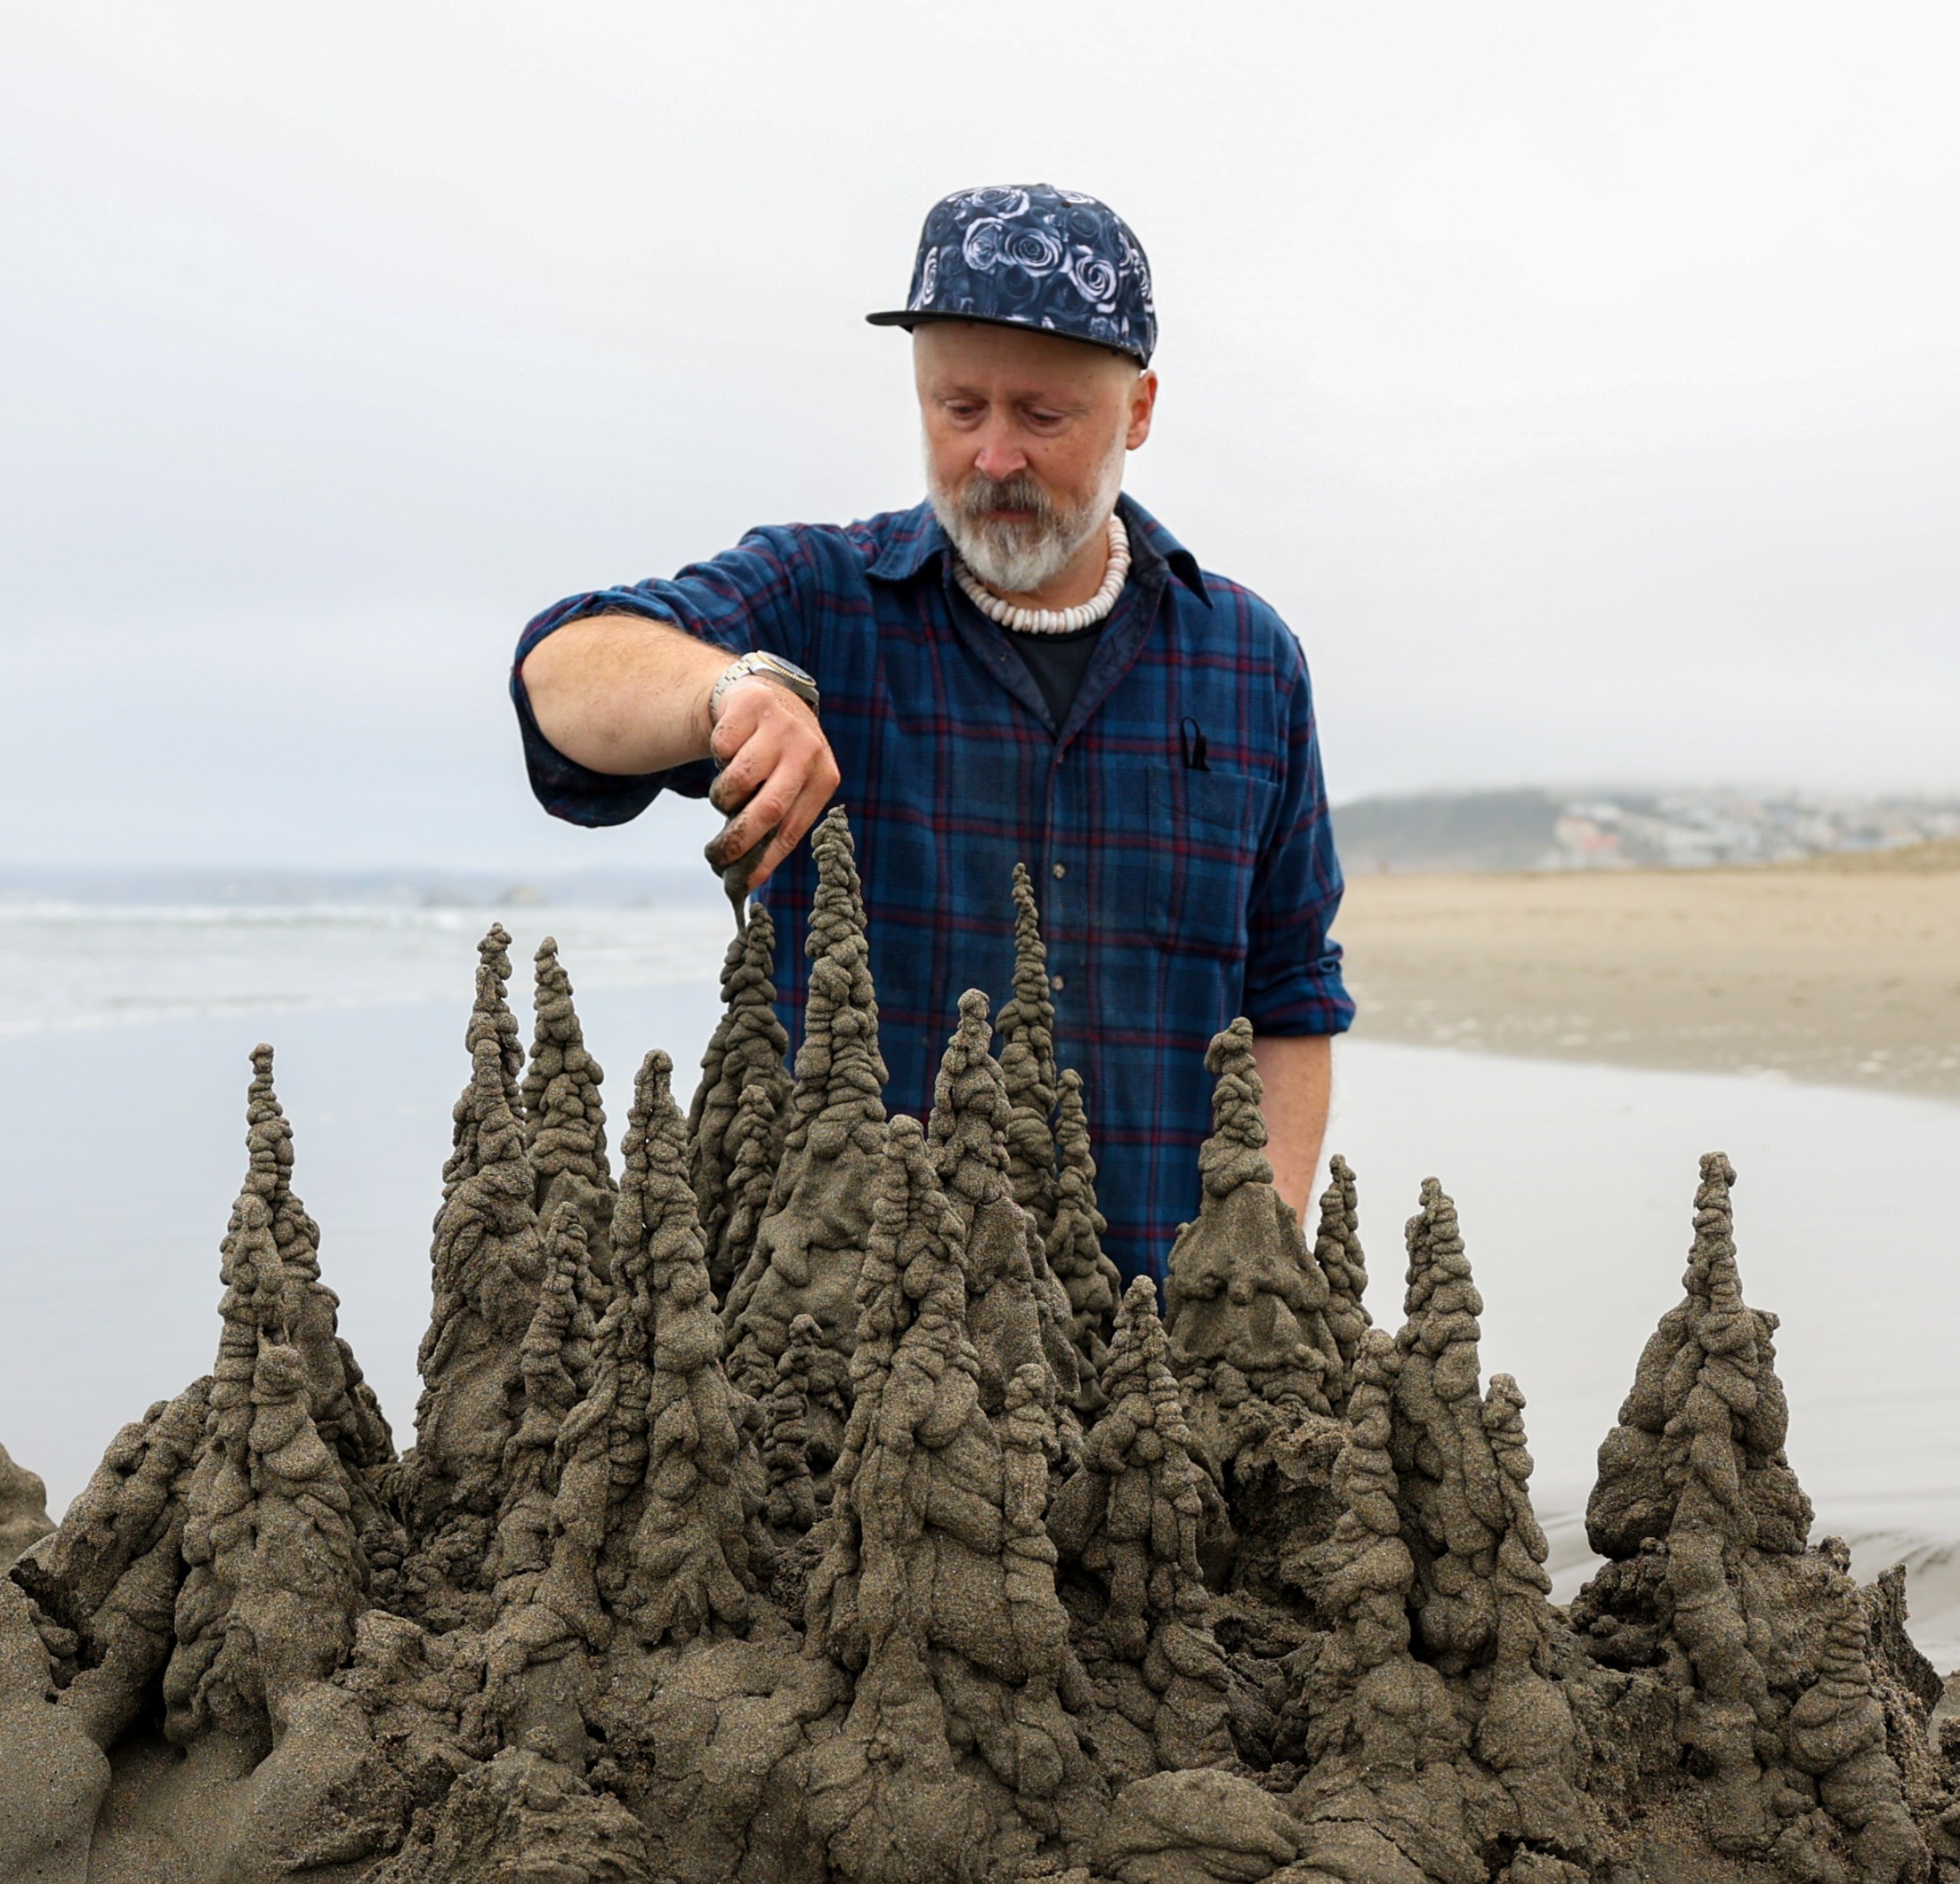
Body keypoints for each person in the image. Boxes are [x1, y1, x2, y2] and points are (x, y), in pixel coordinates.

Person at [511, 183, 1350, 1294]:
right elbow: (560, 673)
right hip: (858, 1361)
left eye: (1041, 416)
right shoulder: (823, 599)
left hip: (1154, 1341)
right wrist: (727, 690)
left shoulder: (1250, 662)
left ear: (1138, 411)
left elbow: (1290, 998)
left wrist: (1260, 1270)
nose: (994, 456)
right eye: (959, 408)